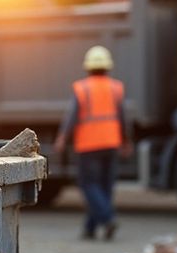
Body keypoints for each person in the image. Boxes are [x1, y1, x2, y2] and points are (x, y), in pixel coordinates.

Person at [52, 45, 131, 241]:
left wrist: (62, 137)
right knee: (104, 186)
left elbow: (72, 116)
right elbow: (123, 118)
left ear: (87, 67)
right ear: (108, 67)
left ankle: (108, 218)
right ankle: (90, 228)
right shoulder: (115, 87)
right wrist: (127, 141)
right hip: (111, 143)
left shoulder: (82, 88)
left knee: (89, 185)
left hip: (88, 145)